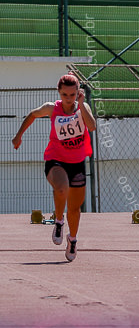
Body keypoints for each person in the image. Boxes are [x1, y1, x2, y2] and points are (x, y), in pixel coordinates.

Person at [11, 73, 97, 262]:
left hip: (77, 163)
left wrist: (81, 105)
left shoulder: (83, 107)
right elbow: (33, 114)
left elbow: (92, 126)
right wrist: (19, 136)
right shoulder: (52, 108)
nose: (68, 99)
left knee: (74, 209)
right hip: (55, 159)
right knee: (61, 187)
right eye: (65, 95)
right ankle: (59, 221)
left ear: (78, 93)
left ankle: (72, 239)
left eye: (72, 95)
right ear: (59, 92)